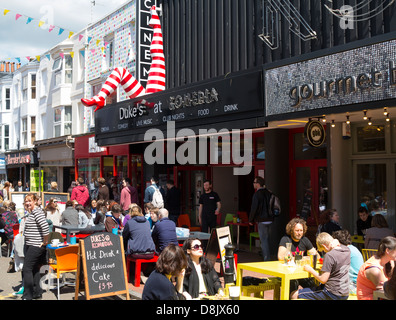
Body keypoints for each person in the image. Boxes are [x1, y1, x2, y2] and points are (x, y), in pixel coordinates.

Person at [291, 232, 351, 300]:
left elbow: (323, 280)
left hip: (331, 293)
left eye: (323, 250)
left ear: (324, 246)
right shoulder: (347, 250)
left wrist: (310, 269)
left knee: (294, 294)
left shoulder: (329, 255)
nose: (325, 251)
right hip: (345, 293)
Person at [21, 193, 50, 300]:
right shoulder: (32, 212)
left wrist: (45, 241)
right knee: (34, 269)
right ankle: (37, 292)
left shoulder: (37, 211)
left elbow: (45, 227)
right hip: (31, 244)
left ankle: (27, 296)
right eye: (26, 201)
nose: (28, 203)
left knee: (26, 268)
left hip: (35, 245)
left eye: (30, 201)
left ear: (34, 201)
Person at [248, 176, 275, 261]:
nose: (253, 184)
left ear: (258, 184)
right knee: (269, 239)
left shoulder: (257, 194)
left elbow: (254, 208)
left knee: (264, 240)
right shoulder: (270, 193)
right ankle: (270, 255)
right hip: (270, 219)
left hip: (262, 220)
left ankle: (267, 258)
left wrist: (251, 220)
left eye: (254, 182)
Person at [332, 229, 364, 295]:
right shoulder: (352, 248)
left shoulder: (345, 251)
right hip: (359, 284)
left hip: (353, 285)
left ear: (338, 242)